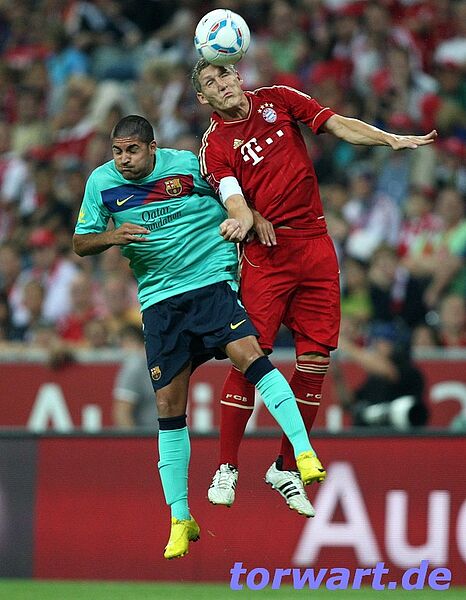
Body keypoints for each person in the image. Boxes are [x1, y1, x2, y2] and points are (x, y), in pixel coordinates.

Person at [73, 115, 326, 560]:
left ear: (153, 148)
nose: (124, 159)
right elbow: (80, 241)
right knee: (168, 408)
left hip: (210, 283)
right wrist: (112, 236)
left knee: (251, 357)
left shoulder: (189, 165)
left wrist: (251, 216)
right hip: (159, 302)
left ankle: (303, 454)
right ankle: (180, 519)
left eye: (132, 150)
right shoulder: (101, 183)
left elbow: (232, 196)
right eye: (117, 151)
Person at [191, 58, 437, 517]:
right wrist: (247, 219)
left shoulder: (280, 99)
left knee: (316, 360)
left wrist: (387, 138)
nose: (221, 83)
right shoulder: (214, 144)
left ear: (238, 75)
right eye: (210, 82)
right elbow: (231, 196)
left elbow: (337, 124)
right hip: (267, 255)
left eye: (224, 74)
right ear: (203, 98)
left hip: (317, 247)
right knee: (248, 356)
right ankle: (226, 466)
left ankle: (285, 468)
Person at [112, 323, 158, 428]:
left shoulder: (155, 364)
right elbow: (122, 412)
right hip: (147, 434)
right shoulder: (135, 367)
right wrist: (134, 438)